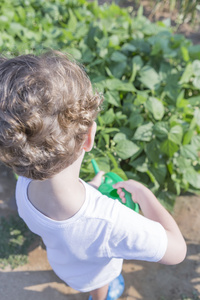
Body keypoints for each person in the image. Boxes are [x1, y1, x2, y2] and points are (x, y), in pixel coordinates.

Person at [0, 50, 186, 300]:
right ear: (89, 138)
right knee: (102, 283)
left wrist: (91, 188)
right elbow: (178, 251)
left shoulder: (24, 186)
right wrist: (143, 194)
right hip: (94, 273)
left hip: (63, 263)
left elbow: (65, 213)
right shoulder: (111, 221)